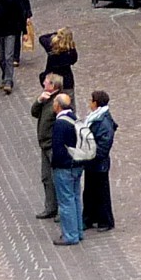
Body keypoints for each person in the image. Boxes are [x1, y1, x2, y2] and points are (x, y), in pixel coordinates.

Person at [51, 92, 86, 245]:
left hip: (65, 167)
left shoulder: (60, 123)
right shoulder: (74, 118)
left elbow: (57, 149)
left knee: (66, 202)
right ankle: (78, 231)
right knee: (76, 198)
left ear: (58, 106)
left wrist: (55, 164)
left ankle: (70, 235)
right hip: (78, 163)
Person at [84, 91, 117, 231]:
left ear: (96, 103)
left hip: (98, 163)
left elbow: (104, 145)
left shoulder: (103, 122)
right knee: (90, 191)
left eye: (91, 100)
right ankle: (90, 218)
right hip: (93, 162)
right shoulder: (97, 118)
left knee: (101, 193)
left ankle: (105, 221)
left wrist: (91, 153)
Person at [32, 73, 64, 220]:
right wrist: (39, 100)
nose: (43, 83)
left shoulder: (59, 102)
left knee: (58, 179)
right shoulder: (46, 98)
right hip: (44, 145)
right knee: (46, 178)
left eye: (46, 82)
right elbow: (34, 112)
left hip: (53, 146)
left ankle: (61, 210)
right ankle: (50, 207)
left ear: (52, 86)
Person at [39, 25, 78, 97]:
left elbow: (42, 38)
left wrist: (55, 33)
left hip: (53, 80)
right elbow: (74, 61)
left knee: (51, 103)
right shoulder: (71, 51)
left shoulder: (51, 47)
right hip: (67, 82)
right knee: (68, 103)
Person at [7, 0, 35, 69]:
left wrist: (28, 15)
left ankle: (15, 57)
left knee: (16, 37)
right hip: (7, 16)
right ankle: (9, 55)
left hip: (19, 15)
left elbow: (26, 1)